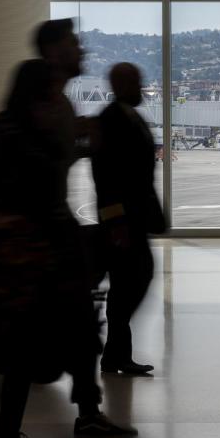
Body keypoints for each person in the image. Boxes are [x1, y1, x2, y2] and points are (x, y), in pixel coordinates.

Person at [0, 20, 136, 438]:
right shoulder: (26, 120)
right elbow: (15, 188)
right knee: (21, 344)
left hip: (40, 248)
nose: (82, 49)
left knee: (47, 337)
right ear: (54, 50)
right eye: (74, 43)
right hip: (27, 254)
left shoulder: (46, 107)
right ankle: (34, 417)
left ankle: (72, 412)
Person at [92, 62, 165, 375]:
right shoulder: (112, 119)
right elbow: (104, 177)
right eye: (136, 81)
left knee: (129, 281)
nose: (142, 86)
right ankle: (115, 352)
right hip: (123, 220)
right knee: (133, 278)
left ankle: (116, 354)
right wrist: (115, 221)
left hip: (133, 217)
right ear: (121, 84)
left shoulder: (126, 116)